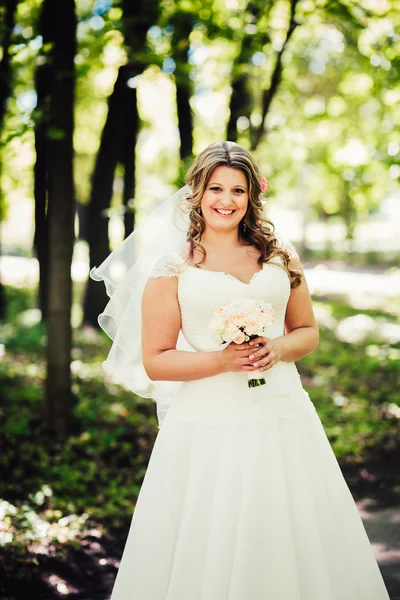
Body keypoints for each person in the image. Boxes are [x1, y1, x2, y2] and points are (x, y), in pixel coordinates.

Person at [92, 141, 390, 599]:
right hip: (206, 423)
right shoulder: (173, 267)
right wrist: (221, 359)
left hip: (282, 413)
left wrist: (279, 346)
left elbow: (307, 330)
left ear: (252, 197)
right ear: (197, 191)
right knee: (212, 531)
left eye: (238, 190)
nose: (226, 200)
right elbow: (156, 359)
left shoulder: (278, 254)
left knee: (290, 529)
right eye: (216, 188)